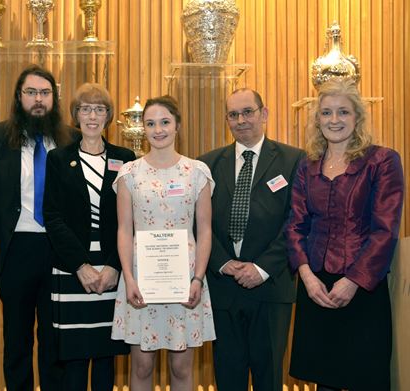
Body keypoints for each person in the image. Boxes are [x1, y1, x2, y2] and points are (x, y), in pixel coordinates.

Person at [285, 78, 404, 391]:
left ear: (358, 118)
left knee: (366, 378)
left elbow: (385, 230)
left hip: (362, 286)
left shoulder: (382, 161)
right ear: (317, 119)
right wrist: (308, 279)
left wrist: (352, 282)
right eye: (326, 113)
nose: (334, 120)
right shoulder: (307, 165)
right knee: (324, 380)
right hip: (316, 288)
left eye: (343, 112)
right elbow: (296, 224)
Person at [199, 88, 305, 391]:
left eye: (248, 112)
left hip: (271, 286)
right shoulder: (207, 165)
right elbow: (199, 222)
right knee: (227, 376)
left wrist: (260, 268)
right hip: (223, 286)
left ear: (264, 113)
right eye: (233, 114)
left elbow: (298, 221)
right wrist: (222, 262)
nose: (241, 120)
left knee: (269, 377)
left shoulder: (293, 160)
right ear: (227, 120)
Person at [111, 95, 216, 391]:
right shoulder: (129, 173)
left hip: (185, 281)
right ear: (143, 129)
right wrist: (129, 278)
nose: (158, 130)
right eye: (151, 123)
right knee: (142, 366)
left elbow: (205, 230)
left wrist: (198, 278)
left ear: (177, 126)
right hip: (141, 282)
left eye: (165, 122)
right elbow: (124, 230)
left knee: (181, 367)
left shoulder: (197, 173)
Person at [0, 65, 77, 391]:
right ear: (19, 97)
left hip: (59, 251)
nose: (38, 100)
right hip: (16, 250)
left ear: (54, 98)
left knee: (56, 341)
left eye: (45, 93)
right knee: (16, 340)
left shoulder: (72, 140)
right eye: (31, 92)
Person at [43, 83, 135, 390]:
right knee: (74, 355)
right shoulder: (58, 158)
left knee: (106, 353)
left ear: (108, 116)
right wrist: (80, 265)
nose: (92, 116)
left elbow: (129, 218)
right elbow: (53, 217)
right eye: (85, 109)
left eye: (99, 109)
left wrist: (113, 266)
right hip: (72, 270)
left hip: (111, 267)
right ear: (76, 115)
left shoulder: (126, 158)